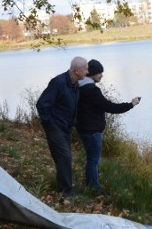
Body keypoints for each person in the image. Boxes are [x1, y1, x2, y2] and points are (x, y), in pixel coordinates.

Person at [75, 59, 140, 192]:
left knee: (90, 158)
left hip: (82, 128)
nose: (101, 75)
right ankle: (94, 187)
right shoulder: (91, 90)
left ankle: (90, 184)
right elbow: (110, 107)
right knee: (93, 160)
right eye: (99, 73)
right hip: (92, 131)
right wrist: (131, 104)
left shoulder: (77, 86)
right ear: (92, 73)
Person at [36, 56, 88, 198]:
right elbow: (42, 104)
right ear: (77, 71)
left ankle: (64, 188)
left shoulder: (75, 84)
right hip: (55, 127)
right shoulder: (58, 82)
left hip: (66, 128)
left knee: (63, 158)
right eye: (85, 69)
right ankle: (66, 192)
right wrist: (49, 125)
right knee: (65, 157)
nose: (87, 72)